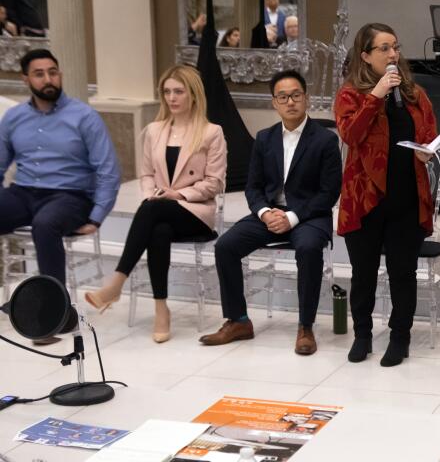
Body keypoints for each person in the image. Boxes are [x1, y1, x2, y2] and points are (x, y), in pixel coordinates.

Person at [200, 70, 341, 354]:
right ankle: (238, 320)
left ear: (306, 99)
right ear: (274, 103)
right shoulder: (264, 138)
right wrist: (265, 213)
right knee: (226, 245)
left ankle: (305, 327)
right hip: (269, 214)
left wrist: (292, 217)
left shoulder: (325, 140)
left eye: (296, 95)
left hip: (309, 216)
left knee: (309, 248)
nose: (290, 102)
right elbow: (253, 187)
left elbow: (329, 192)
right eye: (283, 97)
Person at [84, 65, 226, 343]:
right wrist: (155, 194)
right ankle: (161, 308)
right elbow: (147, 175)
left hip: (195, 212)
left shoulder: (211, 132)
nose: (172, 98)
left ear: (193, 95)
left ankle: (115, 284)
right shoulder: (154, 130)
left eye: (179, 92)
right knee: (158, 229)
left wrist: (178, 195)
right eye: (167, 92)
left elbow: (215, 182)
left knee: (154, 210)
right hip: (161, 209)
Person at [335, 23, 438, 367]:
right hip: (365, 198)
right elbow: (351, 135)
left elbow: (429, 135)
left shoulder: (414, 94)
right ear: (365, 56)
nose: (393, 54)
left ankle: (400, 337)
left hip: (406, 196)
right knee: (362, 273)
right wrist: (375, 95)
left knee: (402, 272)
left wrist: (427, 151)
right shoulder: (350, 94)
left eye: (395, 46)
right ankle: (362, 335)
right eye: (383, 48)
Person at [0, 49, 120, 300]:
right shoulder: (14, 118)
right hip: (23, 193)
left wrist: (97, 217)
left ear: (60, 75)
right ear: (26, 79)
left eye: (53, 73)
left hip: (70, 196)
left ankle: (54, 312)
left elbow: (108, 170)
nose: (48, 80)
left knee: (45, 224)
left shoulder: (85, 117)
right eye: (39, 74)